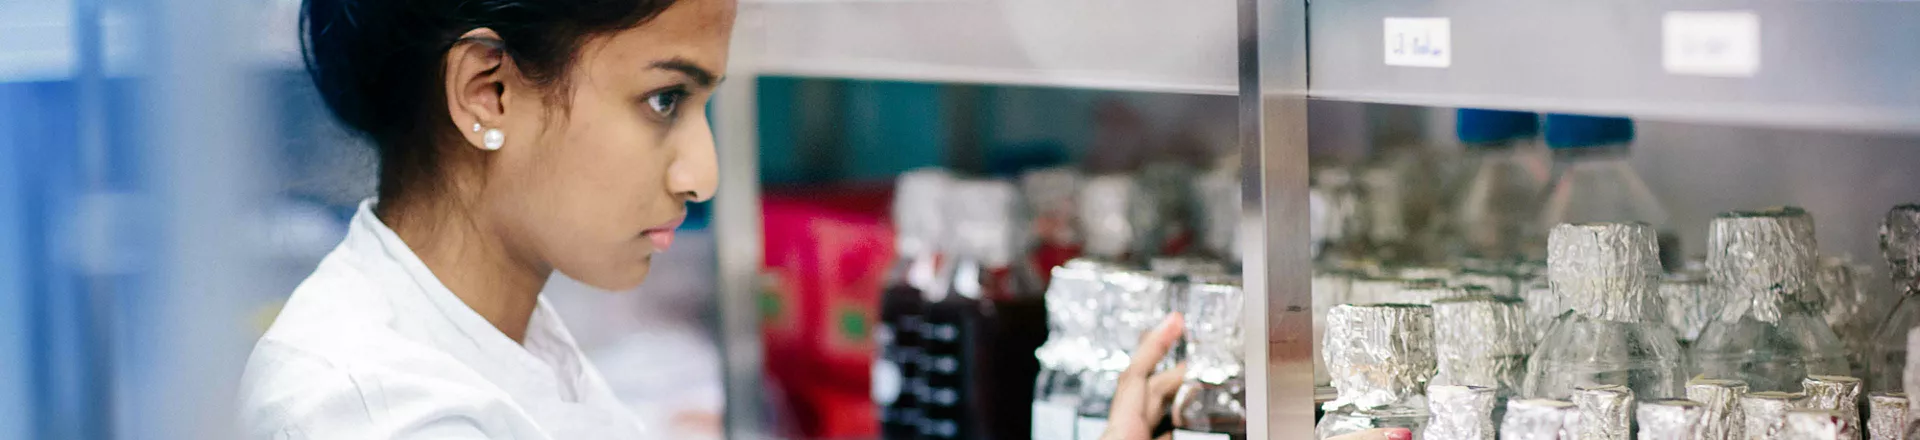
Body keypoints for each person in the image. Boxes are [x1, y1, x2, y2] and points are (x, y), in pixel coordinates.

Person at [235, 0, 1410, 437]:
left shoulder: (494, 324)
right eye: (663, 101)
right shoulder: (378, 409)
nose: (698, 172)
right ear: (488, 90)